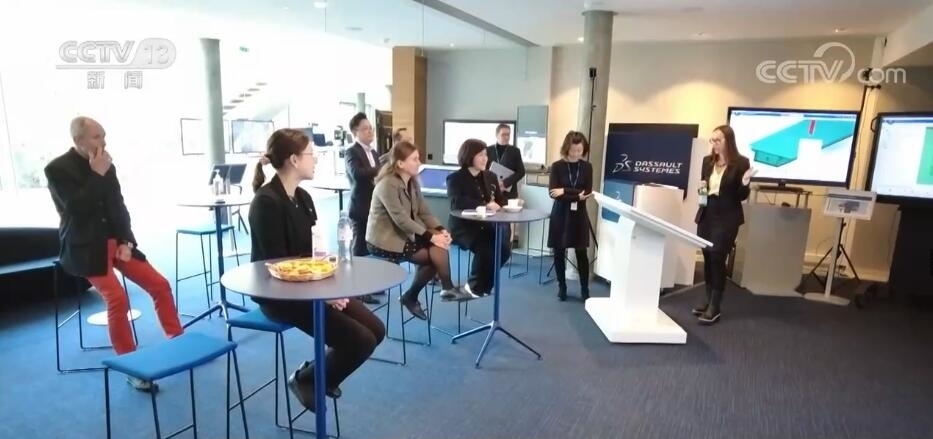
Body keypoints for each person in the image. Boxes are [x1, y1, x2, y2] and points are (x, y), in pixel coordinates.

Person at [249, 128, 385, 412]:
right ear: (294, 159)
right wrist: (323, 295)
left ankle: (318, 375)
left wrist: (329, 287)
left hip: (310, 285)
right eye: (311, 154)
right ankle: (308, 379)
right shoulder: (266, 202)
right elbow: (278, 268)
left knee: (376, 330)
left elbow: (311, 253)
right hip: (280, 296)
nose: (316, 159)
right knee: (360, 341)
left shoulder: (302, 197)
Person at [45, 116, 183, 392]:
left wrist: (127, 241)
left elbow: (118, 207)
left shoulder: (107, 166)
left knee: (159, 284)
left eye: (104, 136)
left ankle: (178, 341)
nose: (104, 142)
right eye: (97, 137)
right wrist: (96, 174)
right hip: (85, 248)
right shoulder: (57, 169)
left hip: (117, 244)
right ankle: (131, 366)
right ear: (78, 140)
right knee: (118, 299)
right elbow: (76, 209)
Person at [366, 141, 475, 320]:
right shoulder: (386, 185)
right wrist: (431, 237)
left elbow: (424, 212)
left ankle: (444, 288)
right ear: (400, 163)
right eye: (415, 159)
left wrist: (441, 230)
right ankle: (419, 295)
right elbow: (401, 219)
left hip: (406, 234)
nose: (419, 162)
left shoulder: (412, 182)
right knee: (432, 258)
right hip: (385, 240)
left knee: (437, 244)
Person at [693, 125, 754, 325]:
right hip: (707, 214)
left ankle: (715, 306)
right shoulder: (707, 161)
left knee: (717, 257)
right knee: (707, 256)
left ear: (728, 141)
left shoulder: (741, 163)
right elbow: (703, 190)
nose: (714, 144)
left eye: (718, 140)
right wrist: (701, 189)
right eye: (713, 140)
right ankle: (708, 299)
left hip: (727, 217)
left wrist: (745, 182)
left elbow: (741, 196)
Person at [446, 139, 511, 297]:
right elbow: (456, 202)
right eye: (480, 155)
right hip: (464, 227)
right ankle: (474, 286)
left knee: (504, 250)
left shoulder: (490, 176)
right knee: (487, 247)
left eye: (486, 155)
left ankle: (485, 286)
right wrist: (485, 205)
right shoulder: (455, 178)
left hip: (486, 225)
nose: (485, 159)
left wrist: (504, 205)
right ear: (470, 156)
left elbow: (500, 200)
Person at [547, 131, 594, 302]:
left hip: (579, 214)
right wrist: (575, 195)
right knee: (559, 251)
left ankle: (584, 288)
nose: (576, 154)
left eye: (579, 150)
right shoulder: (557, 166)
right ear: (567, 148)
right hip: (560, 213)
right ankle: (562, 286)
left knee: (581, 251)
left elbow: (587, 192)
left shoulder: (587, 167)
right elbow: (553, 193)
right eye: (573, 150)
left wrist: (564, 191)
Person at [344, 112, 380, 305]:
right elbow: (357, 174)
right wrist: (380, 169)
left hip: (375, 206)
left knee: (371, 247)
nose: (370, 131)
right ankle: (356, 290)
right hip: (360, 206)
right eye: (365, 129)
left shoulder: (374, 153)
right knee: (359, 250)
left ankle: (368, 285)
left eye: (370, 128)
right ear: (355, 132)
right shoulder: (351, 152)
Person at [485, 123, 525, 200]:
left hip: (509, 193)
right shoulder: (488, 150)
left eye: (508, 134)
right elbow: (484, 170)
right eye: (503, 135)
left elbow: (521, 172)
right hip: (491, 191)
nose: (506, 137)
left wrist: (504, 183)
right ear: (496, 135)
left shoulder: (515, 151)